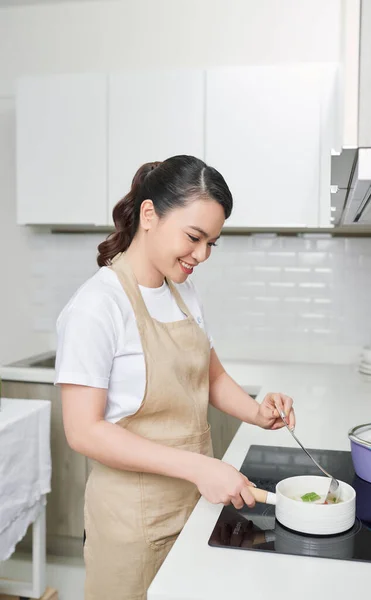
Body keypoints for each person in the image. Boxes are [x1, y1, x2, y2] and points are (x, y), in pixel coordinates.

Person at [55, 155, 295, 600]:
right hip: (132, 525)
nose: (202, 255)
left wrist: (258, 413)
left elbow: (211, 376)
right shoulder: (97, 306)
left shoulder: (182, 290)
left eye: (212, 243)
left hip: (194, 508)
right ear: (150, 215)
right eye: (194, 237)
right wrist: (201, 467)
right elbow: (83, 431)